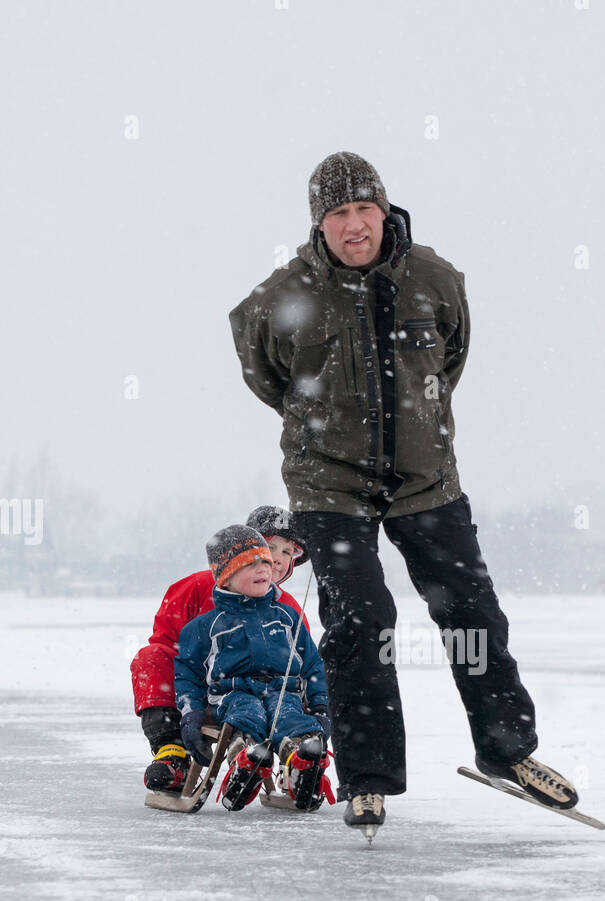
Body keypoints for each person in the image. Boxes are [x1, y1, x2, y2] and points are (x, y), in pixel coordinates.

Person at [229, 152, 577, 837]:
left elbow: (448, 361)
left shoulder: (435, 280)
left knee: (472, 612)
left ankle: (510, 753)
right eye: (338, 215)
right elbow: (262, 370)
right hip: (328, 483)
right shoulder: (280, 297)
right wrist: (318, 425)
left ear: (385, 212)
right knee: (361, 623)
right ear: (318, 224)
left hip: (425, 478)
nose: (354, 226)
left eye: (365, 211)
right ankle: (368, 781)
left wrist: (412, 425)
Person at [132, 506, 311, 793]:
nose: (277, 559)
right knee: (150, 658)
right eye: (269, 547)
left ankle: (294, 759)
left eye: (288, 552)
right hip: (193, 691)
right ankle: (172, 753)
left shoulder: (288, 609)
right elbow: (166, 645)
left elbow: (302, 666)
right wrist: (192, 700)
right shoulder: (194, 587)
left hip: (255, 698)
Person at [174, 524, 330, 807]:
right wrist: (192, 713)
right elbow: (187, 674)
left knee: (289, 716)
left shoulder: (287, 617)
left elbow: (312, 665)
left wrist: (320, 706)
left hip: (283, 692)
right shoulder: (207, 626)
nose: (263, 570)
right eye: (249, 565)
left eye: (266, 563)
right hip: (234, 695)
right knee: (248, 716)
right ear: (225, 577)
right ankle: (245, 762)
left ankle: (302, 762)